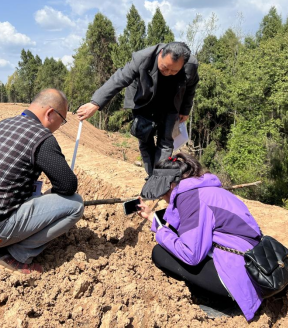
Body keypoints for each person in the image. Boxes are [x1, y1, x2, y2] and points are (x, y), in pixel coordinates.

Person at [0, 89, 84, 276]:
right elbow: (68, 185)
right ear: (50, 113)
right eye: (62, 120)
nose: (60, 126)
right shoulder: (41, 137)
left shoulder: (4, 124)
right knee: (75, 204)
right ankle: (14, 256)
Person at [137, 153, 263, 322]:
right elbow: (189, 226)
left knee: (160, 253)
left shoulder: (191, 199)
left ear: (172, 184)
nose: (163, 197)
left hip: (241, 278)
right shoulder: (205, 189)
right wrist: (152, 217)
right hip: (255, 266)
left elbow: (191, 254)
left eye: (163, 191)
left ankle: (224, 302)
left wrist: (161, 232)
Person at [76, 42, 199, 176]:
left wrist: (185, 110)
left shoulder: (191, 65)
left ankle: (159, 180)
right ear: (161, 53)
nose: (168, 73)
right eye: (164, 68)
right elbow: (120, 78)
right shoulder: (143, 58)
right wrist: (95, 103)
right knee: (145, 139)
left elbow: (191, 87)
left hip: (170, 103)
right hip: (144, 101)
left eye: (174, 71)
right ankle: (151, 176)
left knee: (166, 142)